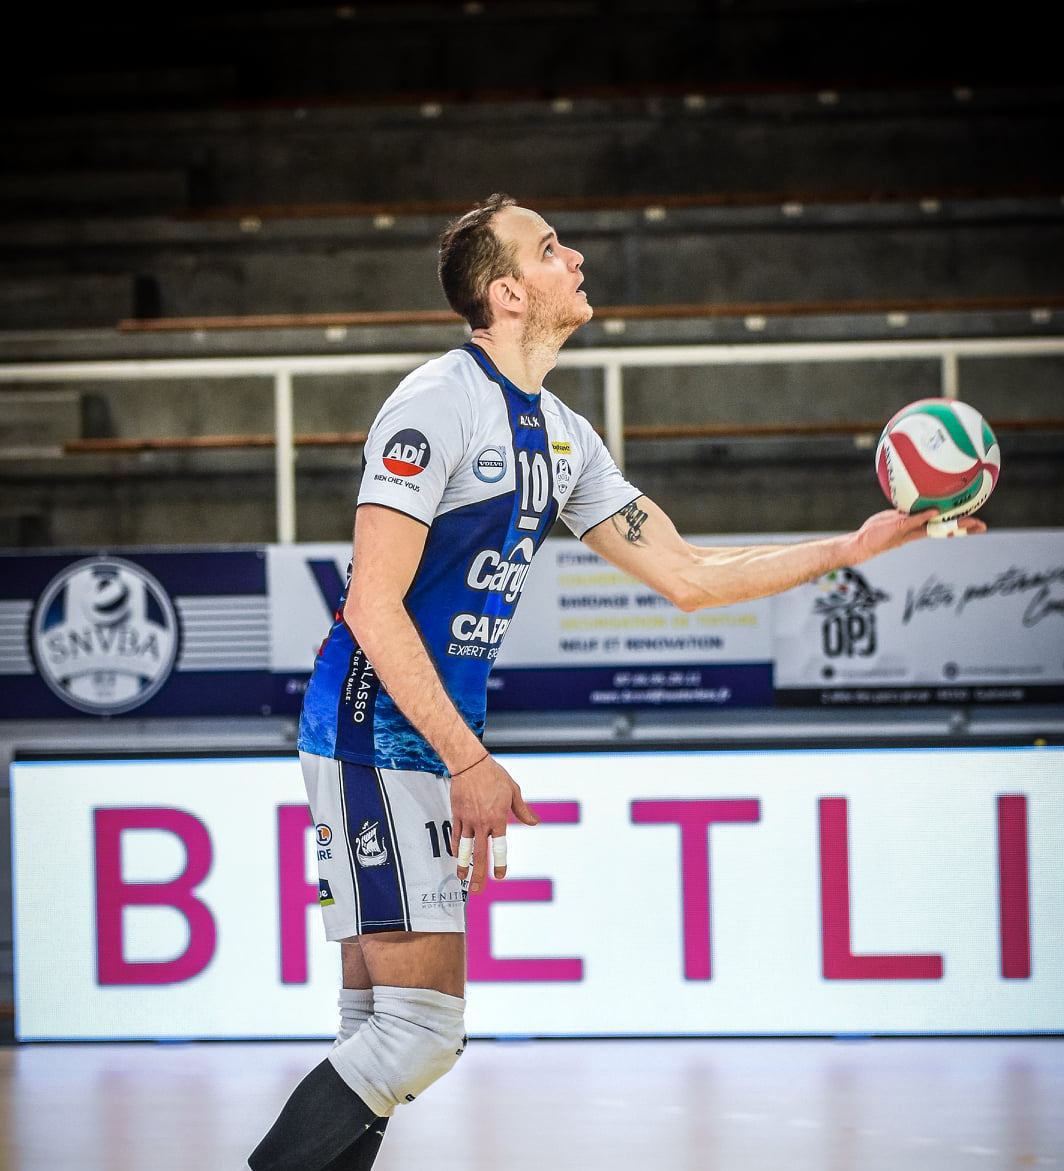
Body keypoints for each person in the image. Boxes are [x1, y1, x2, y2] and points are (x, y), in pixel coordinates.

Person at [247, 193, 985, 1170]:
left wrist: (852, 547)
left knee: (378, 1026)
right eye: (551, 248)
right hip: (371, 731)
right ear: (508, 293)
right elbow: (371, 606)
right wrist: (466, 759)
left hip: (413, 742)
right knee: (418, 1033)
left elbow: (687, 575)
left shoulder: (562, 436)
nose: (576, 258)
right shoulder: (436, 401)